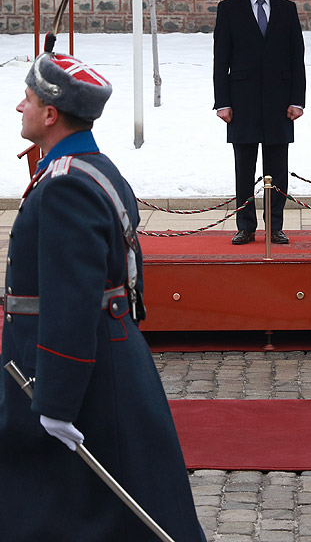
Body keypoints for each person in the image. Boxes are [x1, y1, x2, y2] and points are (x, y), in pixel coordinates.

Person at [1, 52, 206, 542]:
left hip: (71, 376)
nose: (18, 108)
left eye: (27, 99)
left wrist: (55, 401)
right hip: (103, 361)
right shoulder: (94, 167)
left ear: (51, 115)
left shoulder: (65, 184)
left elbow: (71, 300)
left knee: (96, 511)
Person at [213, 0, 305, 245]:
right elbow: (220, 60)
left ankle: (275, 225)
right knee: (244, 169)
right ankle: (246, 225)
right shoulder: (228, 9)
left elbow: (297, 59)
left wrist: (297, 100)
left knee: (277, 170)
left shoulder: (287, 9)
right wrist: (223, 102)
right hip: (242, 103)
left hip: (280, 104)